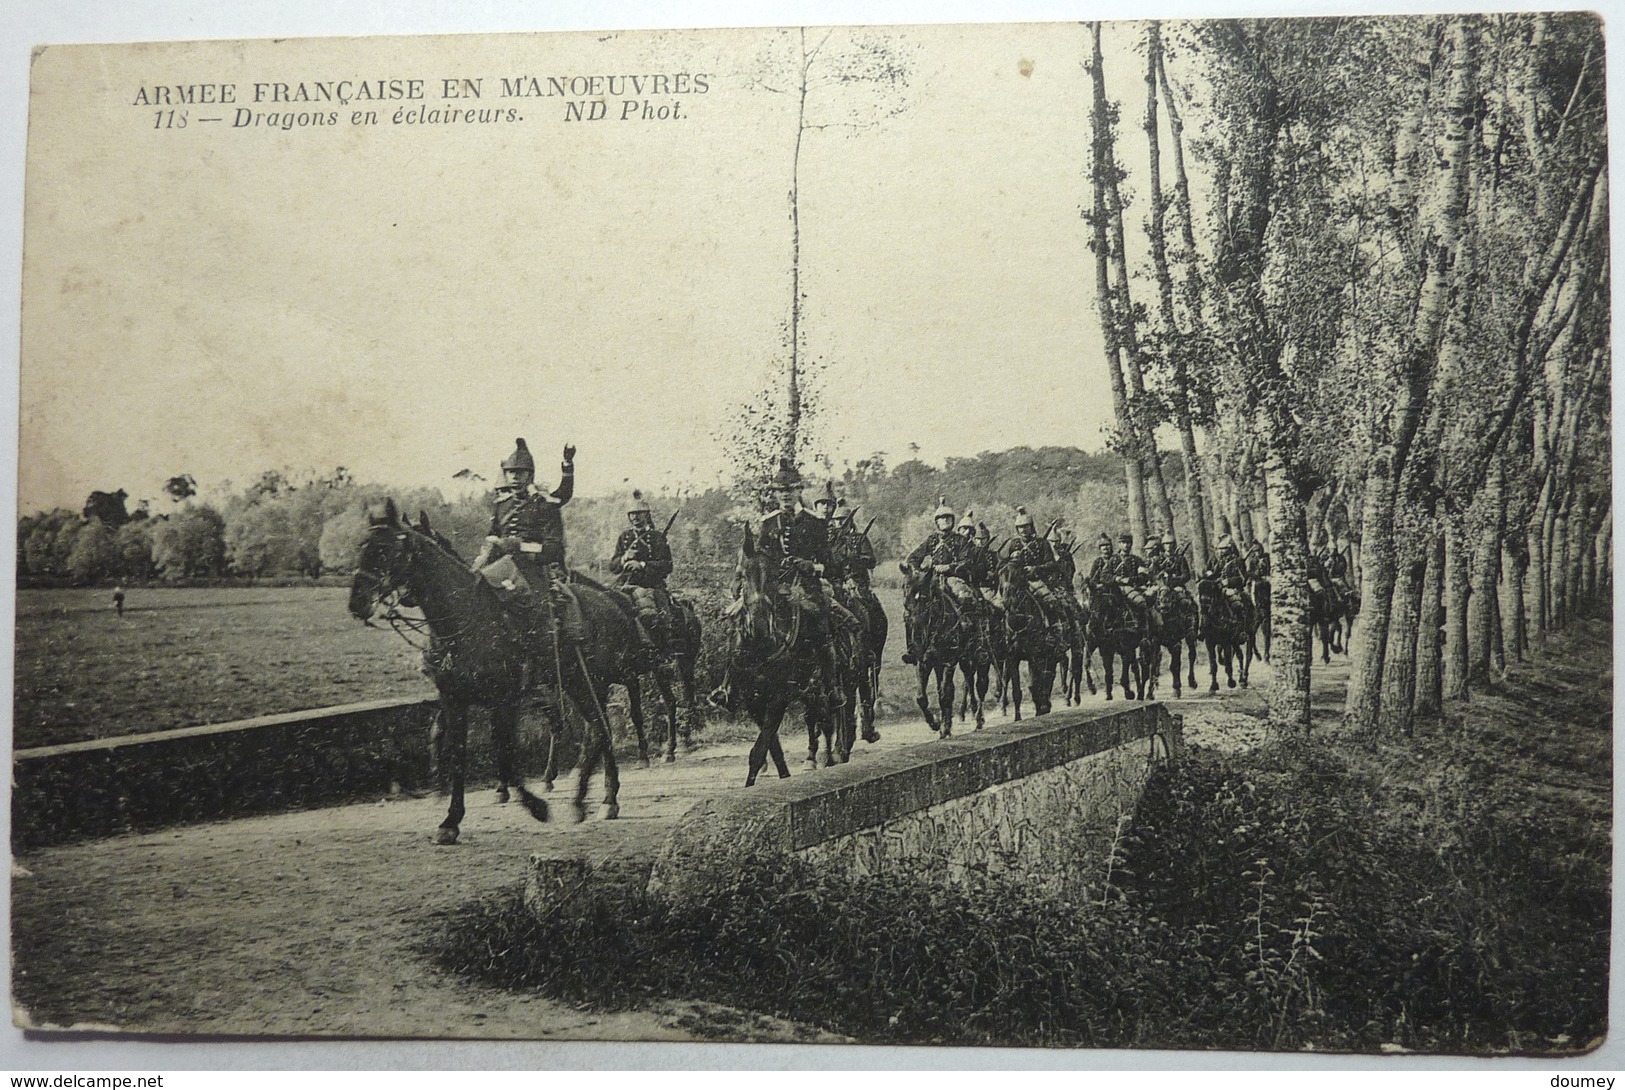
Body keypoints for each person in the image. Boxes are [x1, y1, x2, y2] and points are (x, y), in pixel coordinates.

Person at [756, 459, 852, 705]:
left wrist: (810, 566)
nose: (785, 495)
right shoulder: (768, 523)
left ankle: (831, 685)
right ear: (775, 494)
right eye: (780, 491)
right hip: (775, 588)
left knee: (820, 622)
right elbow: (760, 559)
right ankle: (740, 683)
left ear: (799, 491)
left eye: (789, 490)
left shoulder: (814, 521)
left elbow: (830, 564)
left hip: (807, 587)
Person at [901, 497, 980, 664]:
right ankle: (914, 648)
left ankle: (971, 639)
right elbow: (914, 556)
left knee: (965, 597)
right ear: (936, 522)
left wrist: (949, 567)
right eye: (941, 518)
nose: (945, 521)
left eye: (948, 518)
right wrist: (915, 569)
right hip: (932, 578)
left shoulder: (960, 540)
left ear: (952, 520)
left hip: (953, 578)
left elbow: (967, 561)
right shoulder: (931, 540)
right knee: (912, 608)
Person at [609, 489, 674, 645]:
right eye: (632, 514)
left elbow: (667, 565)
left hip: (650, 585)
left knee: (654, 617)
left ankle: (661, 652)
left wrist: (642, 565)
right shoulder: (624, 538)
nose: (635, 517)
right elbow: (613, 566)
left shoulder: (658, 537)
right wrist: (625, 559)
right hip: (625, 585)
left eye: (638, 513)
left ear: (646, 515)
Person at [1000, 507, 1067, 619]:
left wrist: (1035, 568)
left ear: (1031, 527)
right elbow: (1001, 564)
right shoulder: (1013, 544)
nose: (1023, 530)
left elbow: (1052, 564)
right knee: (999, 607)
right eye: (1020, 527)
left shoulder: (1042, 543)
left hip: (1036, 581)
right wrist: (1011, 560)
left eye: (1026, 526)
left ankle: (1055, 630)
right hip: (1016, 583)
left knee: (1051, 603)